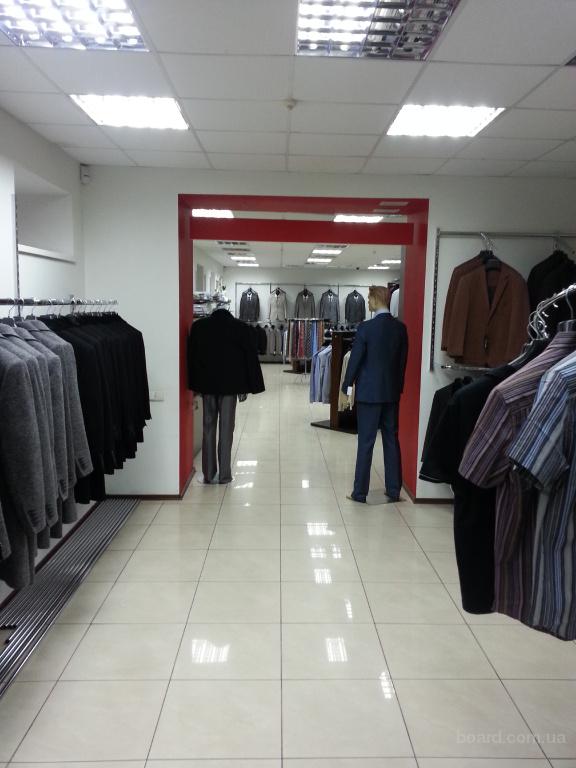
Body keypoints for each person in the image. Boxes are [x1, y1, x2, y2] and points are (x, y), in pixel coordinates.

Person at [341, 285, 408, 503]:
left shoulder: (366, 328)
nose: (368, 303)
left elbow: (355, 360)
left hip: (369, 394)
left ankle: (360, 492)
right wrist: (398, 388)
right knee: (391, 439)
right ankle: (394, 489)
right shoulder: (400, 329)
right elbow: (402, 363)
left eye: (369, 299)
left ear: (376, 299)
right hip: (391, 393)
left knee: (366, 442)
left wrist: (346, 386)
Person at [187, 309, 265, 484]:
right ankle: (224, 475)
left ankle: (208, 474)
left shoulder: (199, 327)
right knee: (227, 429)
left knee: (208, 428)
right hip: (231, 387)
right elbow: (249, 358)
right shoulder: (241, 328)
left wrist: (194, 386)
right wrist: (248, 387)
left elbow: (192, 357)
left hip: (207, 386)